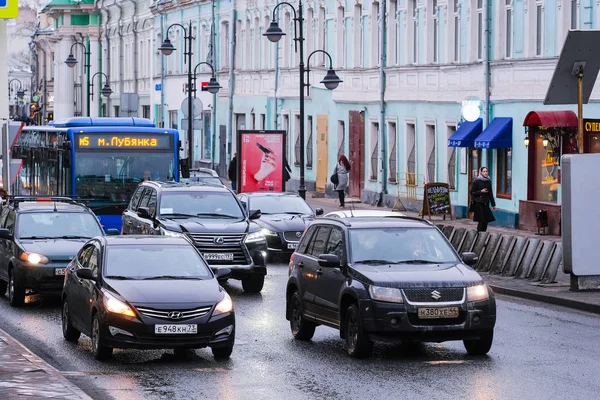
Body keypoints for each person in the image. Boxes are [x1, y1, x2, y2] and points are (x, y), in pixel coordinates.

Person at [470, 166, 496, 232]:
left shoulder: (488, 181)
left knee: (486, 220)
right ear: (481, 172)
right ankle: (479, 234)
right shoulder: (476, 181)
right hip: (479, 203)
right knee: (481, 220)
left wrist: (493, 204)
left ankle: (483, 234)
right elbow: (472, 192)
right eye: (484, 171)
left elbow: (490, 193)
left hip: (486, 203)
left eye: (486, 171)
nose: (485, 173)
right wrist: (481, 191)